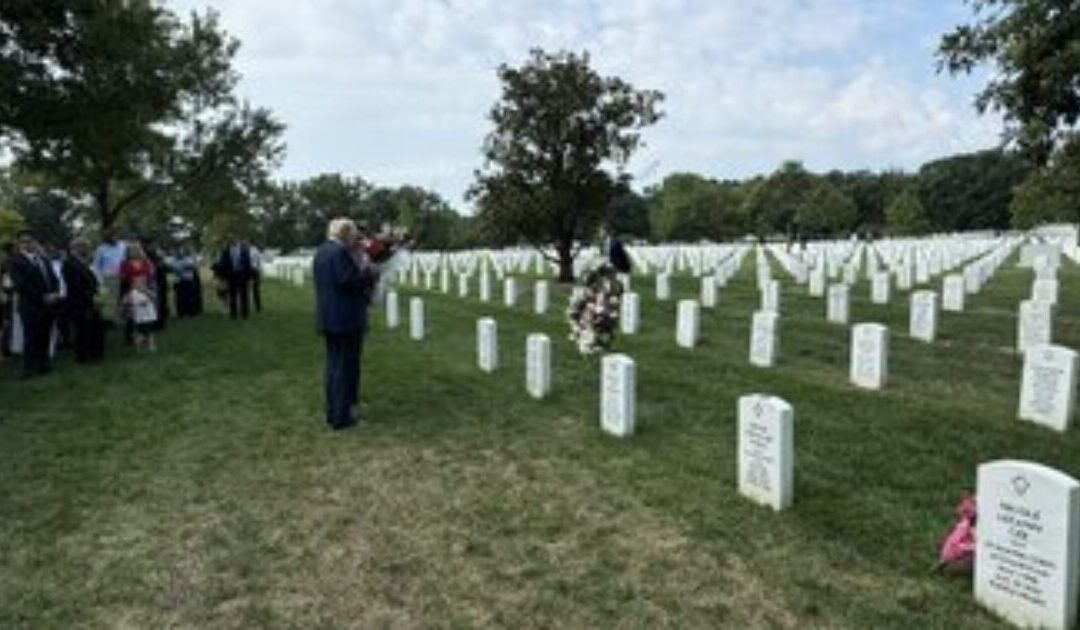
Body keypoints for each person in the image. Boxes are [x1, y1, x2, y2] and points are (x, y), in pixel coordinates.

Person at [313, 218, 377, 430]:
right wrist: (369, 274)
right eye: (353, 233)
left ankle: (334, 410)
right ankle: (341, 417)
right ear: (344, 233)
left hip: (330, 317)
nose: (355, 237)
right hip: (344, 318)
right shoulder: (339, 253)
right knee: (342, 367)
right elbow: (348, 280)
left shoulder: (322, 251)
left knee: (334, 367)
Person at [7, 231, 61, 377]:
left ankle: (43, 364)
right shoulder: (15, 261)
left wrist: (55, 292)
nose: (28, 244)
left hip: (49, 304)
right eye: (24, 241)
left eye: (30, 241)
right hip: (30, 305)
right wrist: (43, 297)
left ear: (35, 242)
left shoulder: (43, 259)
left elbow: (54, 279)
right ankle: (28, 369)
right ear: (19, 244)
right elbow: (21, 285)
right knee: (31, 337)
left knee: (45, 335)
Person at [63, 238, 105, 363]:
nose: (87, 250)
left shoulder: (83, 262)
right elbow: (75, 285)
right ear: (77, 248)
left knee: (93, 328)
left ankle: (94, 354)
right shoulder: (69, 263)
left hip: (90, 299)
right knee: (82, 330)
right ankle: (83, 357)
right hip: (79, 302)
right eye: (85, 247)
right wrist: (90, 296)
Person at [119, 242, 156, 345]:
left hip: (145, 291)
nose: (133, 252)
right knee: (132, 316)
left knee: (146, 315)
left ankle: (147, 339)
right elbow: (123, 279)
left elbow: (150, 276)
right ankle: (132, 339)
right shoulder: (125, 263)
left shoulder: (146, 262)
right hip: (131, 291)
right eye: (130, 250)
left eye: (135, 249)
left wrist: (147, 289)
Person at [216, 238, 255, 320]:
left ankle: (244, 313)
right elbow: (223, 265)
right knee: (232, 295)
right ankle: (233, 314)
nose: (233, 241)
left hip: (242, 275)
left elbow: (248, 265)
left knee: (244, 295)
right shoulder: (226, 251)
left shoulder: (244, 250)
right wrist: (222, 277)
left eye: (235, 240)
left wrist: (249, 278)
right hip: (231, 276)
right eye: (232, 240)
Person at [92, 232, 126, 321]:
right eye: (110, 237)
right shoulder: (101, 249)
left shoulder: (123, 246)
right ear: (107, 239)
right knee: (110, 300)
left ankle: (122, 317)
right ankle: (110, 319)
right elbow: (96, 266)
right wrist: (99, 280)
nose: (113, 239)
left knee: (123, 298)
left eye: (114, 236)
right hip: (108, 278)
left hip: (123, 277)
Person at [123, 276, 157, 352]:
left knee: (150, 332)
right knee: (139, 332)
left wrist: (146, 291)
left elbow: (154, 296)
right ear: (133, 285)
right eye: (136, 283)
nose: (139, 285)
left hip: (148, 316)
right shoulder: (132, 293)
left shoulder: (147, 291)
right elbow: (125, 301)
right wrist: (129, 303)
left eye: (141, 283)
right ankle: (139, 346)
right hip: (139, 316)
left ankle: (151, 345)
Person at [170, 245, 202, 318]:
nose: (180, 253)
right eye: (178, 252)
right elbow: (176, 269)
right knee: (180, 298)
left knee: (189, 297)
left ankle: (191, 312)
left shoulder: (188, 259)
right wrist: (186, 267)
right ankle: (181, 313)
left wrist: (186, 266)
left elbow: (194, 266)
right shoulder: (174, 260)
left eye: (181, 252)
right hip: (179, 281)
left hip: (188, 280)